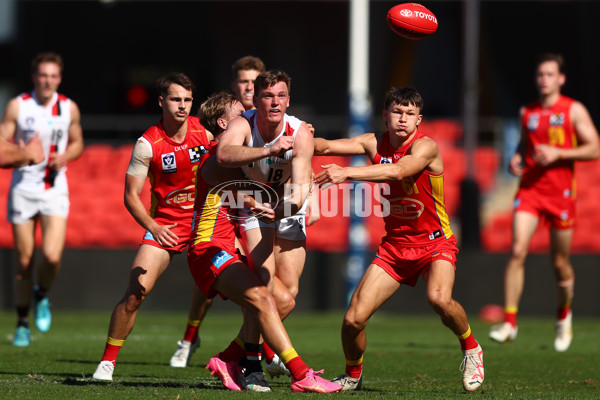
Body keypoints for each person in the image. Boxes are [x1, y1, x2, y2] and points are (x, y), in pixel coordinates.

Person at [313, 86, 484, 392]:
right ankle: (353, 375)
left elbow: (398, 172)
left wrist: (347, 174)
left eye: (410, 114)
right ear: (385, 115)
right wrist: (293, 137)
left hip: (435, 243)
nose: (403, 119)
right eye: (397, 112)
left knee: (439, 299)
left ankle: (471, 349)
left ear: (419, 120)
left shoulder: (426, 147)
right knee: (353, 320)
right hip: (395, 248)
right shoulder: (372, 141)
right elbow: (324, 146)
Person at [186, 120, 341, 393]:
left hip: (226, 245)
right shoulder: (217, 159)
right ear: (225, 125)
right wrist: (272, 151)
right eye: (239, 117)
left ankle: (228, 359)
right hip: (208, 248)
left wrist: (300, 143)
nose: (245, 120)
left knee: (283, 300)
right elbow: (244, 190)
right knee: (263, 297)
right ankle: (292, 371)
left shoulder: (246, 158)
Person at [92, 72, 213, 381]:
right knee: (135, 293)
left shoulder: (207, 131)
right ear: (161, 101)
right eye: (175, 99)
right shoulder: (148, 143)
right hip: (167, 225)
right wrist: (154, 226)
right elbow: (131, 196)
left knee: (246, 288)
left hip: (206, 220)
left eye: (187, 100)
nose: (183, 106)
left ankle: (257, 357)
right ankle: (107, 362)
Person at [489, 53, 599, 352]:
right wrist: (516, 157)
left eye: (550, 74)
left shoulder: (573, 110)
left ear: (561, 78)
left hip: (561, 193)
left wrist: (559, 153)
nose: (544, 80)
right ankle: (509, 322)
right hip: (530, 191)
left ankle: (564, 316)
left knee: (559, 262)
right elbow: (524, 144)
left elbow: (594, 148)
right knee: (517, 250)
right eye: (540, 74)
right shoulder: (528, 111)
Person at [215, 70, 314, 377]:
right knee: (265, 284)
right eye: (268, 96)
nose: (275, 102)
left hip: (287, 205)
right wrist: (268, 149)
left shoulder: (300, 132)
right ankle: (253, 364)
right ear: (256, 100)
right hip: (252, 203)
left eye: (281, 96)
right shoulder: (244, 123)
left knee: (289, 295)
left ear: (288, 99)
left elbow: (300, 188)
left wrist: (285, 209)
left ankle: (233, 356)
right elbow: (224, 153)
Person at [169, 55, 266, 368]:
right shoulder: (225, 137)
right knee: (252, 293)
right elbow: (225, 168)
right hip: (225, 216)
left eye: (255, 82)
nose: (249, 87)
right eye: (244, 82)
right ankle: (197, 339)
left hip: (247, 210)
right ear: (234, 86)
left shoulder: (268, 119)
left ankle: (250, 354)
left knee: (271, 293)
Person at [0, 52, 84, 347]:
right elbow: (2, 140)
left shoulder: (68, 107)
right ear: (34, 76)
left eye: (52, 75)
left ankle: (42, 294)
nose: (47, 80)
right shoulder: (18, 106)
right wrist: (20, 150)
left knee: (51, 256)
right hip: (23, 188)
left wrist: (65, 156)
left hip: (54, 188)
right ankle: (23, 322)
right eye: (42, 75)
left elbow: (78, 142)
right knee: (24, 261)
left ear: (59, 78)